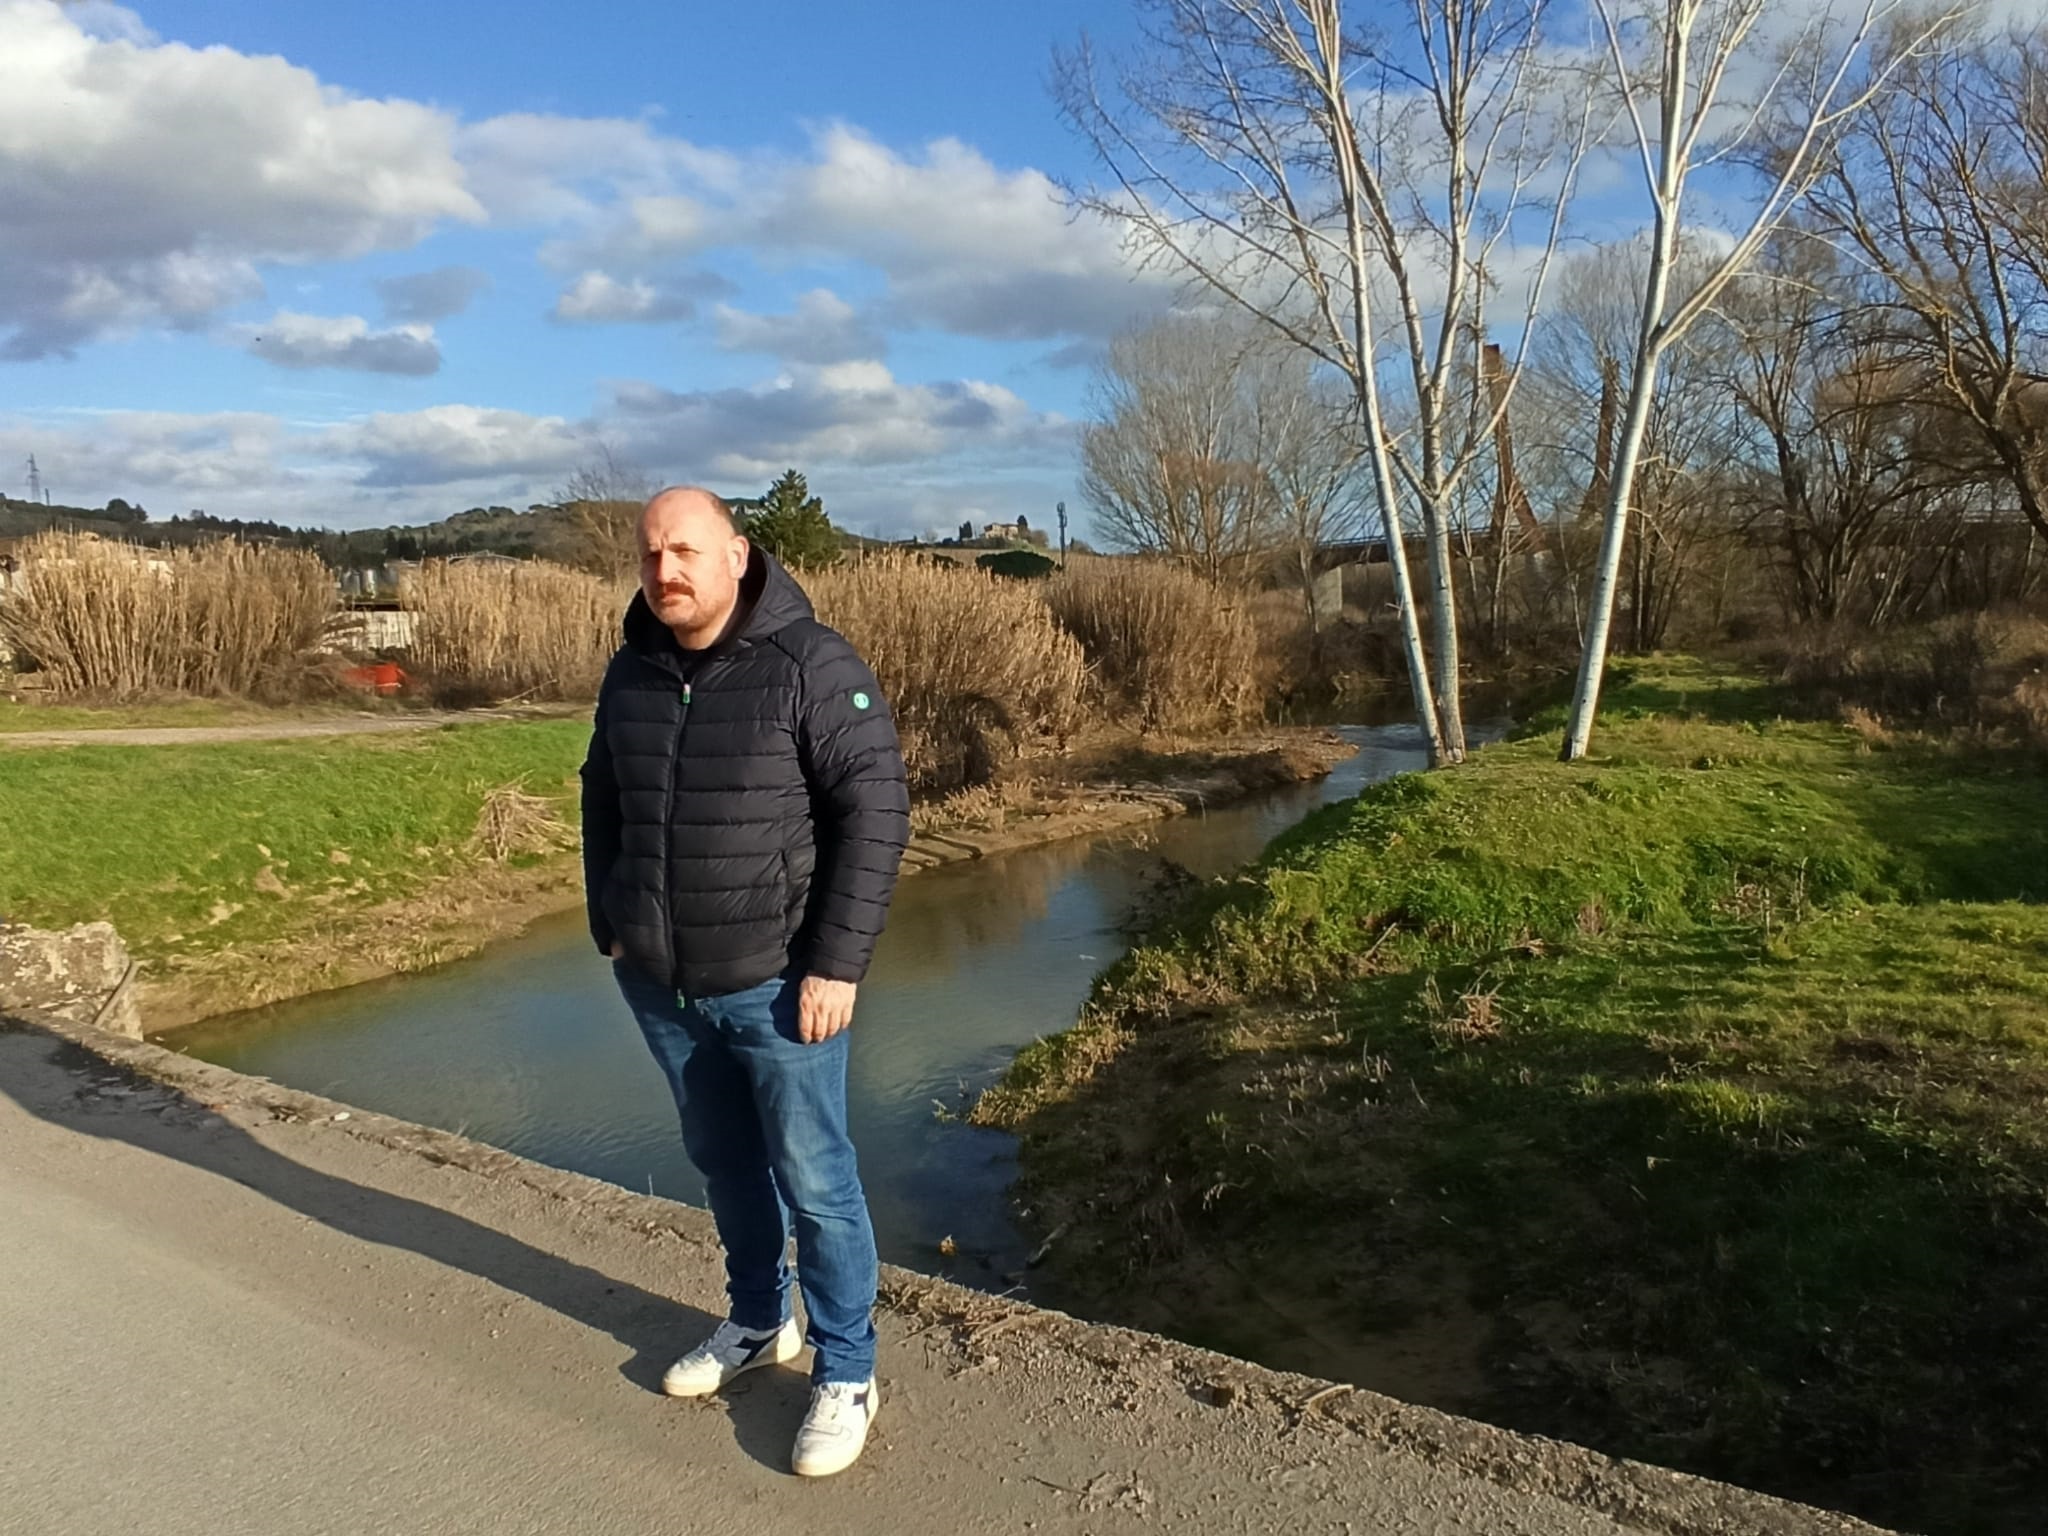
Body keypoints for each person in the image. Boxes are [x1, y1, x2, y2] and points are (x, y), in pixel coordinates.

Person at [580, 486, 909, 1477]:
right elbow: (601, 793)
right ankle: (761, 1321)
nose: (665, 571)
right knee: (724, 1163)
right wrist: (610, 916)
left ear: (735, 555)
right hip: (663, 981)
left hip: (778, 984)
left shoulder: (811, 664)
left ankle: (847, 1367)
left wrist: (836, 964)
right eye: (649, 556)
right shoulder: (632, 670)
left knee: (817, 1182)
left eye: (684, 551)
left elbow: (876, 812)